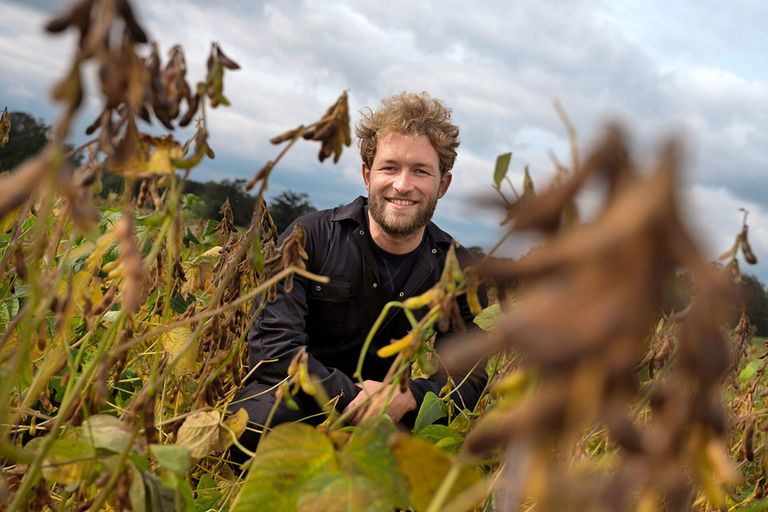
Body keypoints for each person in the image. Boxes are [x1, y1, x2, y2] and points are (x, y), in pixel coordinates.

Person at [229, 92, 487, 461]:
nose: (402, 185)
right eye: (389, 167)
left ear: (442, 184)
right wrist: (355, 397)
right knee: (254, 428)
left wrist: (411, 396)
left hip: (394, 415)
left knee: (439, 467)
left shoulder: (455, 266)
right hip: (299, 401)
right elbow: (273, 349)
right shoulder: (311, 236)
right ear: (368, 175)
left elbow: (470, 371)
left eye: (420, 171)